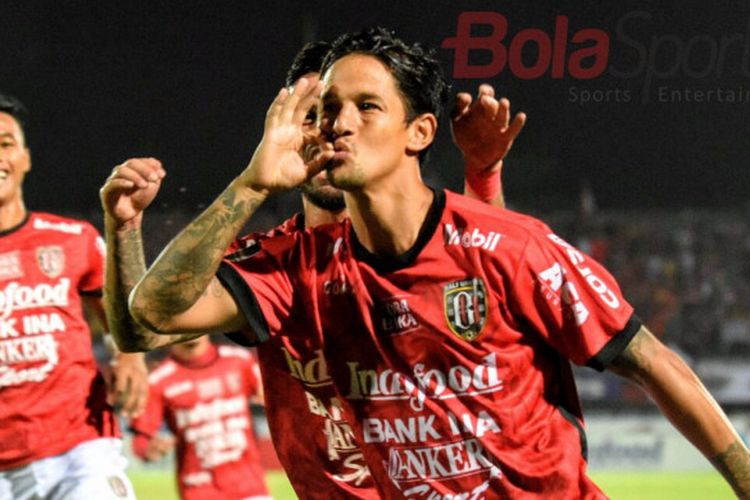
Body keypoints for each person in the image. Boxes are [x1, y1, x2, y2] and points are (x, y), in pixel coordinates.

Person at [128, 27, 749, 498]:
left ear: (419, 132)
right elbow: (147, 317)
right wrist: (250, 186)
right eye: (321, 111)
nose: (334, 125)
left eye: (365, 107)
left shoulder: (509, 244)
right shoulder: (290, 266)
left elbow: (648, 361)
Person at [101, 40, 526, 499]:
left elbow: (488, 299)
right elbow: (142, 329)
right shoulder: (275, 266)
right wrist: (125, 229)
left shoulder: (428, 242)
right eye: (312, 114)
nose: (329, 129)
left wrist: (484, 175)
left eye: (351, 110)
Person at [0, 92, 148, 500]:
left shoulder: (72, 240)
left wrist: (130, 358)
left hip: (80, 451)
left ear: (25, 158)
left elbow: (121, 314)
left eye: (6, 144)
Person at [130, 335, 270, 499]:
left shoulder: (239, 360)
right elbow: (140, 440)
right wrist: (149, 450)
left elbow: (272, 399)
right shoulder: (158, 381)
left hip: (251, 487)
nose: (188, 329)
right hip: (199, 490)